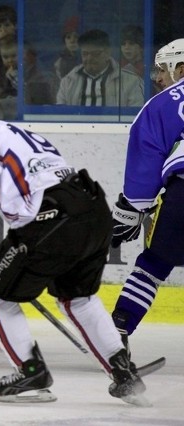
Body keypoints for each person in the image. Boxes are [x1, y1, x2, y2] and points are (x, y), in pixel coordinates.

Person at [0, 94, 146, 404]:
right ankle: (123, 373)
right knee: (78, 298)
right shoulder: (18, 133)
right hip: (92, 209)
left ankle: (30, 371)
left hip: (52, 218)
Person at [109, 38, 184, 358]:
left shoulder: (165, 102)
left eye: (163, 69)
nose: (157, 77)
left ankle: (117, 332)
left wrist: (132, 209)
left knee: (153, 264)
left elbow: (148, 155)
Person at [56, 29, 144, 106]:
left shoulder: (132, 82)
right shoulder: (67, 82)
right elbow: (60, 117)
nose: (89, 58)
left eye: (95, 54)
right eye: (85, 54)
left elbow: (137, 117)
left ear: (108, 53)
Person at [0, 35, 56, 120]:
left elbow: (31, 95)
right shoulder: (1, 73)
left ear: (22, 55)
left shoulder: (32, 71)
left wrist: (15, 79)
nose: (10, 60)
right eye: (5, 57)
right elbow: (1, 89)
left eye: (13, 56)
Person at [53, 16, 80, 80]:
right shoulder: (59, 63)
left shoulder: (87, 60)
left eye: (76, 37)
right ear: (64, 41)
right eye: (68, 37)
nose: (72, 41)